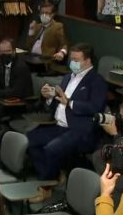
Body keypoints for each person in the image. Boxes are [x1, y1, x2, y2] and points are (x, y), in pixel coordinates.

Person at [27, 43, 107, 181]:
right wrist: (49, 98)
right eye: (71, 59)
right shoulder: (67, 77)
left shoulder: (97, 81)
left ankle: (46, 187)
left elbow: (95, 107)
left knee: (52, 149)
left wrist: (70, 103)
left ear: (87, 61)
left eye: (76, 60)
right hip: (58, 125)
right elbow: (58, 101)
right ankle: (54, 177)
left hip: (79, 130)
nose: (72, 63)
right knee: (31, 139)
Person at [25, 1, 68, 73]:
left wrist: (62, 53)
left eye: (47, 13)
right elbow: (27, 46)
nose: (44, 15)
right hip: (31, 57)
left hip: (45, 60)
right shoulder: (37, 26)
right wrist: (31, 31)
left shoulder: (57, 26)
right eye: (42, 13)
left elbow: (64, 44)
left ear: (52, 14)